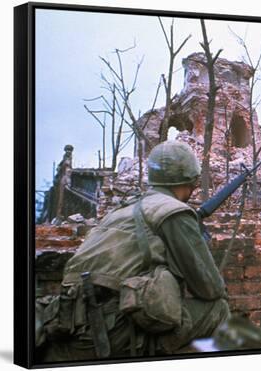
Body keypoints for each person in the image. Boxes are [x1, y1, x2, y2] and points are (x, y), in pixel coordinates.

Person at [36, 141, 230, 362]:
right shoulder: (173, 211)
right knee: (218, 309)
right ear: (191, 180)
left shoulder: (123, 208)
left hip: (68, 324)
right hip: (107, 333)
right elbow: (210, 288)